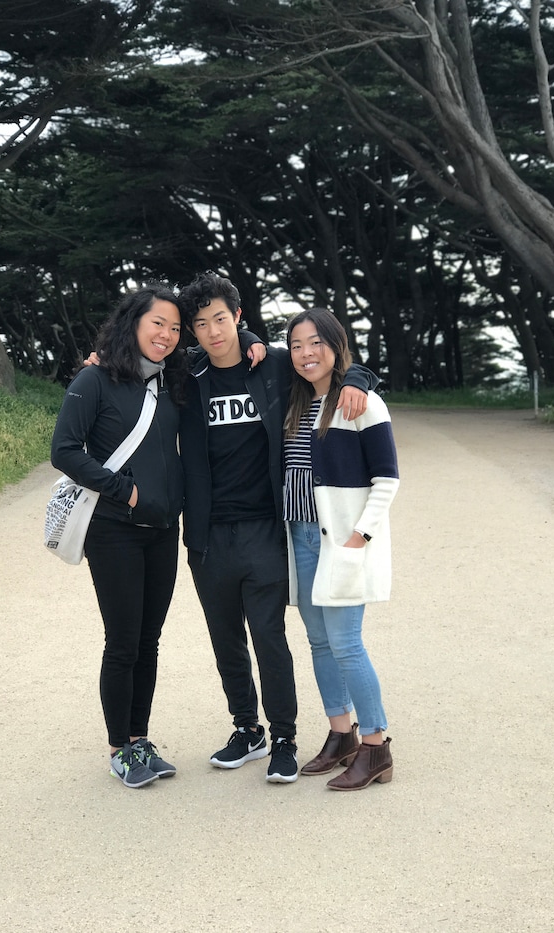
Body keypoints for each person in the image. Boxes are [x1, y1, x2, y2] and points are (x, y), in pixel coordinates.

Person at [177, 273, 378, 784]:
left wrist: (358, 380)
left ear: (238, 318)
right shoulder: (186, 376)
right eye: (200, 324)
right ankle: (247, 729)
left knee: (269, 634)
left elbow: (330, 363)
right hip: (206, 533)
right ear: (192, 332)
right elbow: (131, 371)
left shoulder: (275, 366)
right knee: (225, 637)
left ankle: (284, 736)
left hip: (266, 527)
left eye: (221, 319)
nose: (212, 331)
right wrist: (95, 363)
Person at [51, 284, 188, 789]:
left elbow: (227, 347)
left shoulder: (171, 379)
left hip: (162, 532)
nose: (168, 336)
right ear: (134, 322)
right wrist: (124, 492)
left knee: (149, 641)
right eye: (159, 324)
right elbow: (64, 451)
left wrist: (253, 336)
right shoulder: (95, 379)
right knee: (124, 642)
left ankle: (139, 738)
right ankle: (119, 747)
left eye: (175, 328)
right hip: (113, 532)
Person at [283, 307, 399, 790]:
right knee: (318, 642)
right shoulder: (295, 402)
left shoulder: (359, 401)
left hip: (340, 540)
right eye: (296, 346)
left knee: (347, 643)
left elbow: (387, 478)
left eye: (316, 343)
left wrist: (360, 537)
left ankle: (375, 746)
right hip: (300, 536)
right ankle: (340, 734)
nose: (306, 354)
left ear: (336, 345)